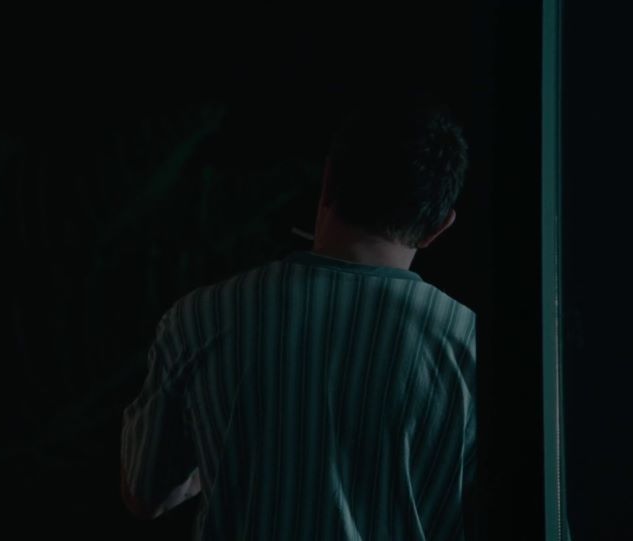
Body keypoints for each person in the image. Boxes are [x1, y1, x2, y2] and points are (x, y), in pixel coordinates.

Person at [121, 97, 477, 540]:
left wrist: (216, 458)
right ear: (438, 227)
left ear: (328, 181)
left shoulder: (199, 318)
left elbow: (145, 494)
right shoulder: (467, 343)